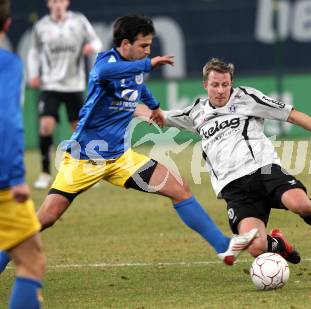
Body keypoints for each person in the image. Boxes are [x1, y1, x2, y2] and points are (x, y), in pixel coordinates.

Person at [0, 16, 257, 274]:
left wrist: (155, 107)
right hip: (85, 158)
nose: (148, 51)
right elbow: (102, 73)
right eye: (144, 46)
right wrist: (148, 64)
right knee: (47, 217)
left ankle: (222, 245)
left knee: (179, 188)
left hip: (120, 159)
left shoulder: (134, 68)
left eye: (149, 47)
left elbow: (139, 88)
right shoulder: (107, 63)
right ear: (125, 44)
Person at [163, 58, 311, 263]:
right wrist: (129, 104)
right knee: (256, 247)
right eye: (215, 85)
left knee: (302, 205)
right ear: (205, 85)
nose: (220, 90)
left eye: (225, 84)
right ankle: (279, 244)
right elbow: (159, 116)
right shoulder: (195, 112)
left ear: (231, 83)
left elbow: (292, 115)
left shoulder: (246, 98)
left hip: (264, 170)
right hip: (233, 187)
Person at [28, 0, 103, 189]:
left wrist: (91, 48)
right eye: (54, 1)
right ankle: (45, 173)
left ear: (67, 2)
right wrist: (33, 74)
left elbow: (97, 41)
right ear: (48, 4)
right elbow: (33, 52)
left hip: (74, 85)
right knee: (46, 125)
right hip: (51, 84)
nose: (58, 4)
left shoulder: (78, 21)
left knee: (78, 129)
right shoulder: (41, 26)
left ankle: (85, 170)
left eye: (61, 0)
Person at [0, 1, 46, 307]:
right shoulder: (8, 63)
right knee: (31, 261)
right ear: (7, 25)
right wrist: (16, 177)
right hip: (3, 183)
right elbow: (7, 120)